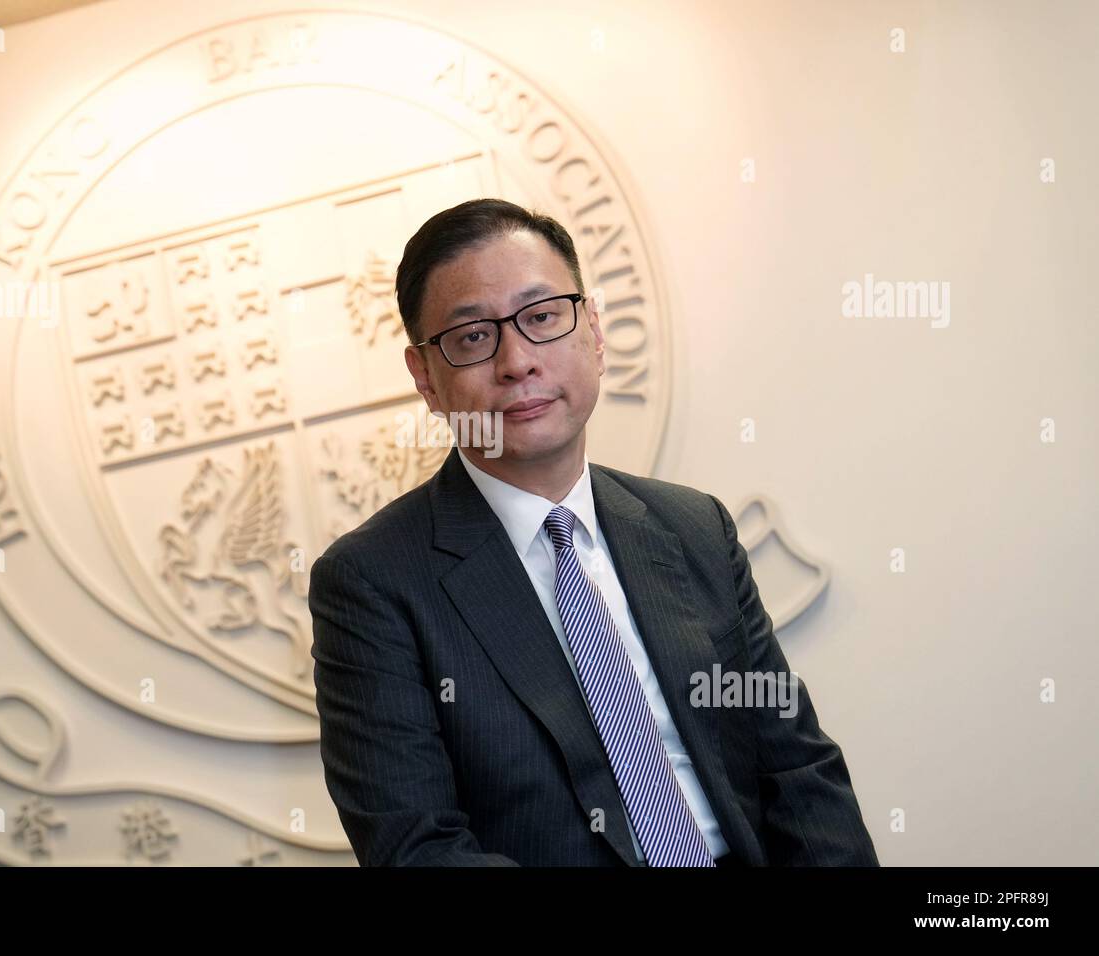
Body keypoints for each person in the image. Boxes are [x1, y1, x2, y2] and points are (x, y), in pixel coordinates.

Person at [308, 198, 878, 867]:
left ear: (595, 332)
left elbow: (799, 772)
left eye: (543, 317)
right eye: (472, 337)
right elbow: (418, 848)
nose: (517, 361)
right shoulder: (374, 582)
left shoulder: (695, 528)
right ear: (426, 379)